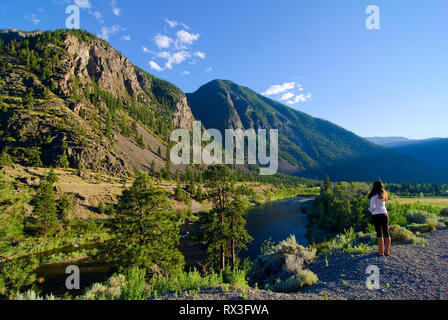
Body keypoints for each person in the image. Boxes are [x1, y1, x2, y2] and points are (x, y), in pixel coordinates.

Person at [368, 181, 391, 256]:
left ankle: (380, 252)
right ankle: (387, 251)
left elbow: (372, 207)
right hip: (384, 215)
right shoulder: (384, 195)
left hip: (376, 216)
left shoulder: (373, 197)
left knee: (379, 233)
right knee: (386, 232)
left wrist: (370, 210)